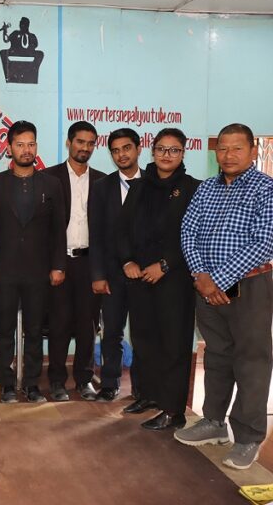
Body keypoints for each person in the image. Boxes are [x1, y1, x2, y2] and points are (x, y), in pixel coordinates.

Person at [176, 123, 273, 469]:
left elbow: (264, 242)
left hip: (250, 286)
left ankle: (248, 437)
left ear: (252, 152)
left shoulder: (266, 188)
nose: (229, 155)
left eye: (237, 148)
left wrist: (216, 280)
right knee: (217, 355)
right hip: (205, 285)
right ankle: (214, 422)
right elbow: (188, 231)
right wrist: (201, 277)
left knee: (251, 361)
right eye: (223, 148)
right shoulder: (206, 188)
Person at [118, 127, 199, 431]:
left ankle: (173, 410)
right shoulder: (139, 187)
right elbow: (122, 229)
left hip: (174, 281)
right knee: (144, 340)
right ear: (152, 152)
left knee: (173, 344)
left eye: (174, 150)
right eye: (162, 149)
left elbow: (195, 235)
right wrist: (127, 261)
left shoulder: (193, 189)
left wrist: (165, 265)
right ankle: (148, 395)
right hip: (139, 278)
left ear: (183, 153)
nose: (167, 155)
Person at [0, 121, 66, 403]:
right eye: (20, 144)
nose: (26, 150)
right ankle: (7, 384)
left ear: (36, 147)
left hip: (38, 270)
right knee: (4, 330)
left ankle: (32, 384)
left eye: (31, 144)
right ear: (9, 148)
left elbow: (59, 229)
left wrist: (58, 265)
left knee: (34, 330)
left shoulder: (52, 184)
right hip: (4, 270)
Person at [43, 121, 105, 401]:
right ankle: (57, 381)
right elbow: (44, 227)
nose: (85, 148)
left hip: (90, 263)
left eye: (91, 143)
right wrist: (53, 264)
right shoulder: (49, 178)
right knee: (59, 323)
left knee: (87, 325)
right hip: (59, 262)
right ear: (69, 143)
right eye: (80, 141)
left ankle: (84, 379)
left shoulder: (102, 181)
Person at [88, 128, 143, 402]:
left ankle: (143, 388)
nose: (121, 154)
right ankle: (110, 384)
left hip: (146, 274)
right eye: (116, 150)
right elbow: (96, 235)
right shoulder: (102, 187)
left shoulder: (154, 183)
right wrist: (98, 275)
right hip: (112, 274)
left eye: (126, 148)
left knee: (144, 333)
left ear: (138, 149)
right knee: (112, 332)